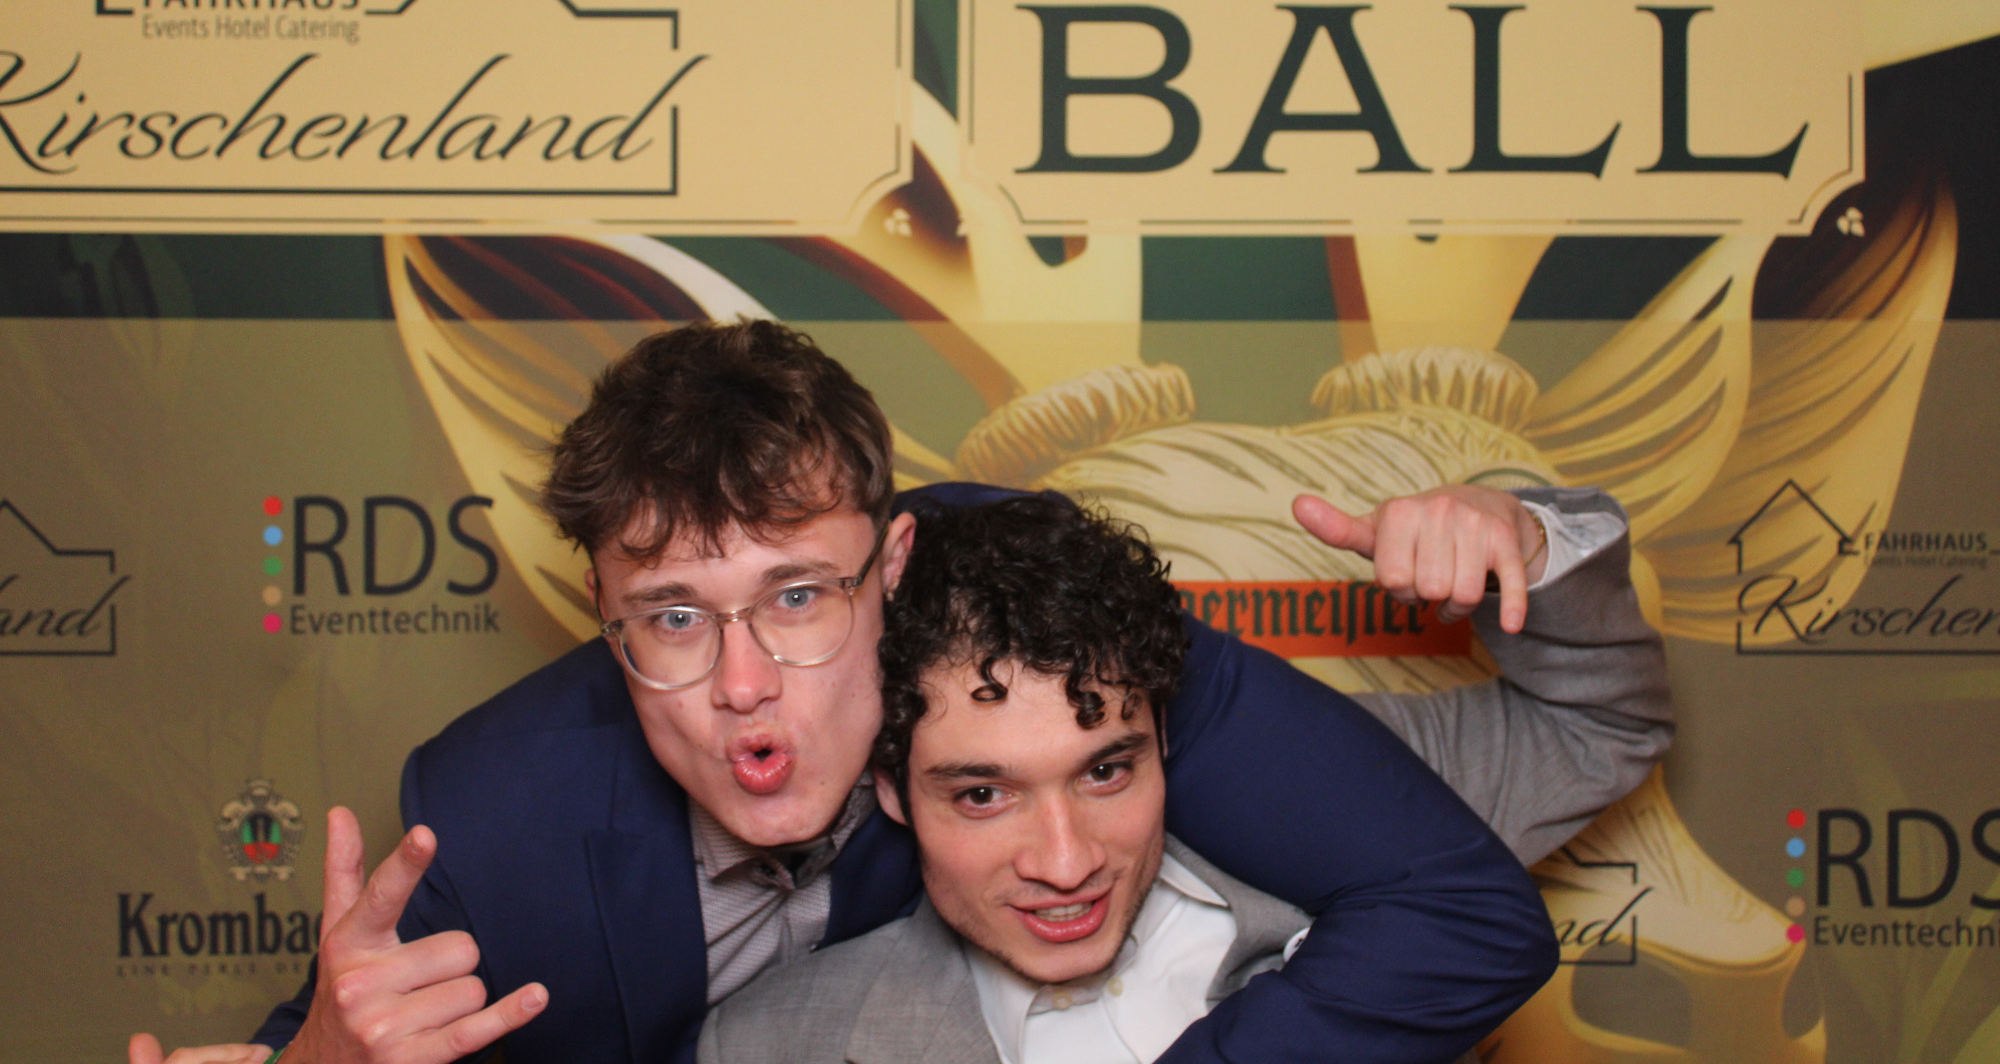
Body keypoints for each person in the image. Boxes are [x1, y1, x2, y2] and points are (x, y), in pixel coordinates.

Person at [131, 321, 1666, 1064]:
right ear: (601, 619)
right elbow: (347, 1031)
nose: (747, 690)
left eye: (800, 596)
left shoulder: (1038, 630)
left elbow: (1480, 853)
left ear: (897, 562)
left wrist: (1528, 529)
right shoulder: (496, 816)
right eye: (672, 618)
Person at [691, 495, 1514, 1063]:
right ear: (893, 789)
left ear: (1167, 737)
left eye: (1106, 771)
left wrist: (1528, 536)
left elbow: (1584, 728)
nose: (1065, 862)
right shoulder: (766, 1044)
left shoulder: (1377, 906)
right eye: (983, 794)